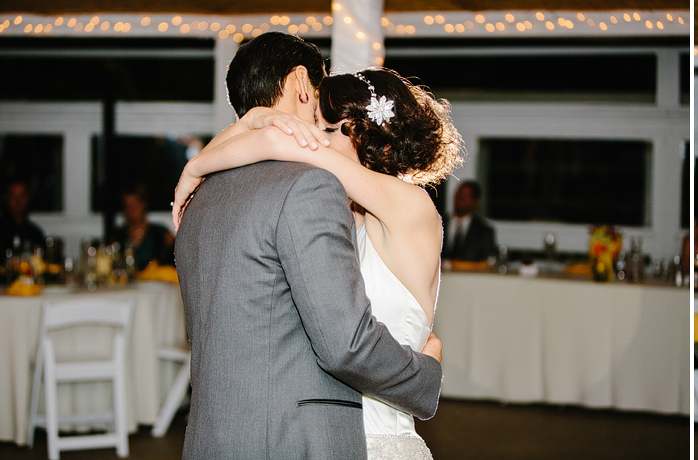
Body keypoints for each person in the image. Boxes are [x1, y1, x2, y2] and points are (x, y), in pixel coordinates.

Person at [172, 32, 445, 460]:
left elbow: (281, 142)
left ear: (370, 137)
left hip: (376, 441)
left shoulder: (408, 204)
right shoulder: (341, 209)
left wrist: (196, 166)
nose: (313, 135)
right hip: (324, 437)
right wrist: (247, 128)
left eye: (329, 128)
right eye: (316, 122)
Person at [112, 184, 173, 271]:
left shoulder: (161, 233)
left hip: (155, 282)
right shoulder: (117, 236)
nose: (131, 209)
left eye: (134, 204)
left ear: (143, 204)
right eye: (127, 205)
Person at [441, 181, 497, 261]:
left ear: (476, 201)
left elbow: (487, 261)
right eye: (459, 194)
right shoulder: (439, 223)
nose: (461, 198)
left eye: (467, 196)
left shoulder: (483, 232)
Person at [0, 179, 46, 256]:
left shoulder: (35, 234)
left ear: (28, 198)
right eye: (13, 196)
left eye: (22, 196)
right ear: (6, 198)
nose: (18, 201)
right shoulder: (2, 232)